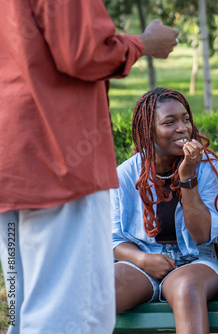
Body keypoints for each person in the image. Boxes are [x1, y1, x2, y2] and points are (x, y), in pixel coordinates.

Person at [0, 1, 179, 333]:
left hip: (13, 160)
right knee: (68, 311)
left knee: (25, 308)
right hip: (58, 159)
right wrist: (145, 42)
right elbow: (82, 52)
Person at [112, 88, 218, 333]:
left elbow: (203, 235)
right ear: (148, 131)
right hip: (143, 260)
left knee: (186, 287)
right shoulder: (125, 175)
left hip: (196, 260)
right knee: (101, 289)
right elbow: (114, 240)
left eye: (186, 119)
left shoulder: (207, 168)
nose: (183, 128)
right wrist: (144, 260)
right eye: (169, 122)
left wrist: (187, 177)